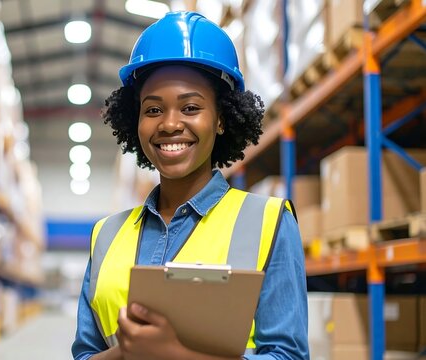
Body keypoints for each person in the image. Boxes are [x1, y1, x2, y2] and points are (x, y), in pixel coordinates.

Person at [72, 11, 309, 360]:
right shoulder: (106, 235)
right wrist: (126, 353)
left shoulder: (268, 223)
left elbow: (288, 356)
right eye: (153, 110)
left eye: (191, 107)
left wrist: (172, 353)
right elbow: (85, 354)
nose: (169, 124)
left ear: (221, 119)